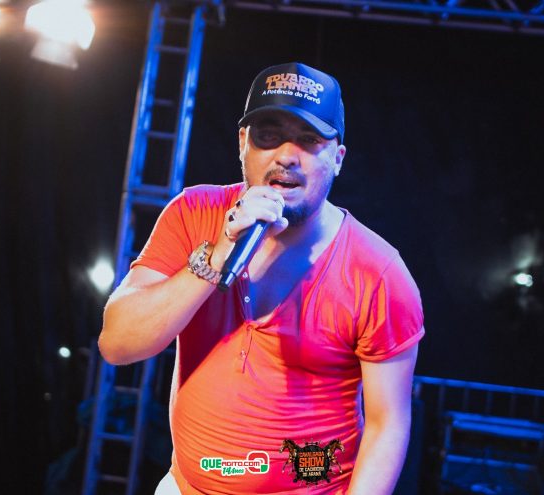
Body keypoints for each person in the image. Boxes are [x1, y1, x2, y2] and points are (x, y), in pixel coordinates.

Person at [98, 62, 425, 494]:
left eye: (308, 140)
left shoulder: (378, 273)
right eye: (269, 135)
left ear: (337, 158)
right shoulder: (194, 213)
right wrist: (217, 257)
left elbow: (388, 424)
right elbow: (118, 344)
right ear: (242, 144)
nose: (286, 156)